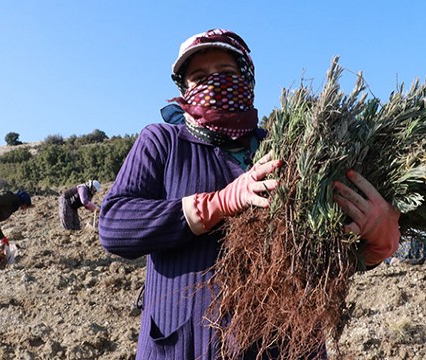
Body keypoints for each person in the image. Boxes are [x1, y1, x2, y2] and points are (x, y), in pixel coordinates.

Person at [98, 29, 400, 359]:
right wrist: (217, 203)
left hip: (283, 344)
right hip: (186, 345)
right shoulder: (162, 142)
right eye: (199, 77)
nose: (213, 83)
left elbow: (321, 254)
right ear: (183, 89)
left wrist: (374, 245)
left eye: (226, 73)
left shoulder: (288, 149)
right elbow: (115, 225)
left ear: (247, 80)